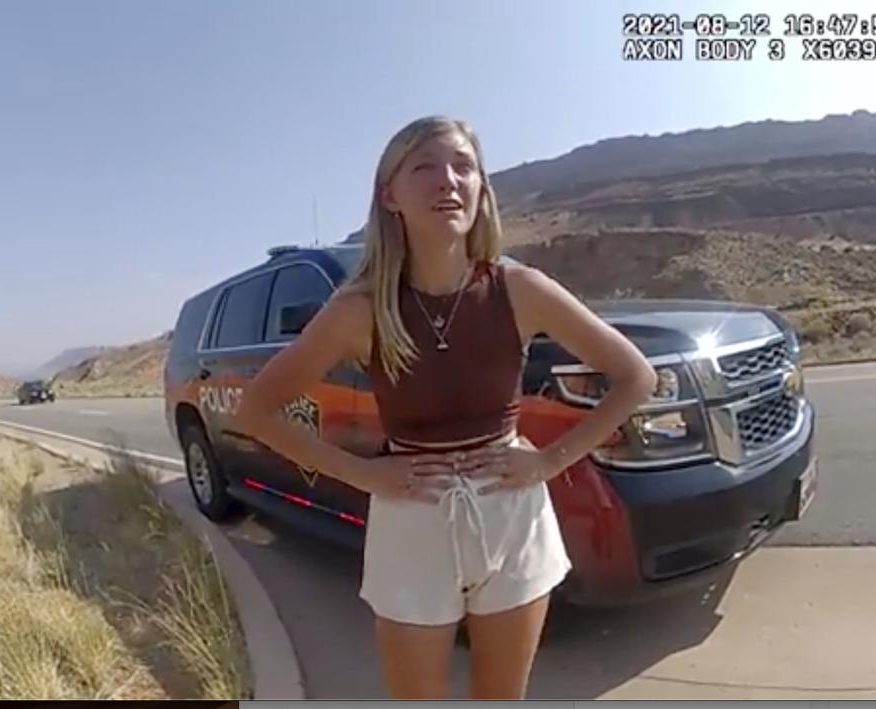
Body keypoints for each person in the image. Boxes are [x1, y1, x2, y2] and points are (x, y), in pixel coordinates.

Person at [238, 115, 657, 699]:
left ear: (482, 188)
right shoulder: (359, 310)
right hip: (413, 523)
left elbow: (636, 377)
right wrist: (362, 473)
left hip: (512, 514)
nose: (448, 181)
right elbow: (257, 410)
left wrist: (549, 462)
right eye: (425, 167)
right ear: (391, 195)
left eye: (464, 166)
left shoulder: (520, 288)